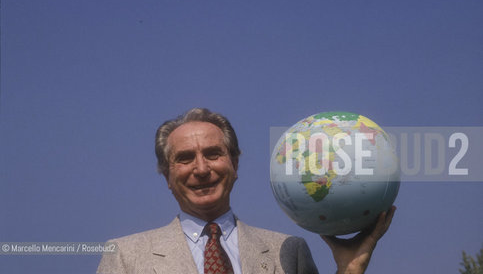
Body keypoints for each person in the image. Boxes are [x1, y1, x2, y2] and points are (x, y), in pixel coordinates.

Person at [97, 108, 396, 274]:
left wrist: (350, 269)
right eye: (185, 158)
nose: (201, 169)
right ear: (167, 174)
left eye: (213, 154)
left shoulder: (289, 253)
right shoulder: (126, 257)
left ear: (235, 163)